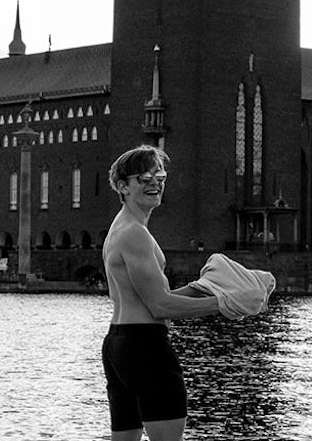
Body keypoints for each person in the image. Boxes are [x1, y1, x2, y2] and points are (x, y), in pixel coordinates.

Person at [101, 145, 220, 441]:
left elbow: (150, 296)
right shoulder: (135, 233)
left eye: (160, 175)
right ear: (122, 187)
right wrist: (225, 303)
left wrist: (199, 288)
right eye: (143, 178)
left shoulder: (121, 228)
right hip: (145, 347)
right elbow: (160, 306)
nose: (155, 183)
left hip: (119, 345)